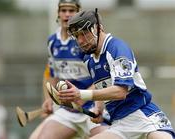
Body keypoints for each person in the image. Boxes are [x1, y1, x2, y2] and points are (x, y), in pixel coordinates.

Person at [57, 9, 175, 139]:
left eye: (84, 33)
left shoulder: (117, 49)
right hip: (119, 124)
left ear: (98, 28)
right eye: (76, 36)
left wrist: (81, 94)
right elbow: (101, 86)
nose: (80, 40)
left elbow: (120, 92)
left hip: (143, 117)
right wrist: (98, 108)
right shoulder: (89, 59)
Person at [29, 1, 108, 139]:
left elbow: (102, 76)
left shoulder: (85, 40)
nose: (67, 14)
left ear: (78, 13)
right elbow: (51, 73)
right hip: (68, 111)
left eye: (71, 10)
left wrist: (82, 96)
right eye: (63, 10)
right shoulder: (53, 41)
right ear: (58, 13)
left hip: (93, 107)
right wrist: (49, 99)